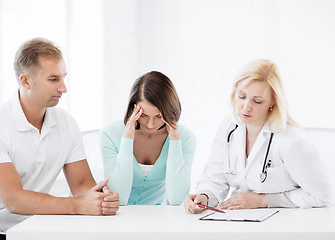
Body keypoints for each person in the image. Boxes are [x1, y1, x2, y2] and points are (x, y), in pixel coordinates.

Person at [0, 38, 119, 239]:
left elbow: (82, 185)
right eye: (53, 79)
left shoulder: (67, 124)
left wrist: (100, 198)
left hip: (34, 226)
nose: (64, 88)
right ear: (26, 81)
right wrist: (77, 206)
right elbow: (14, 200)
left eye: (63, 78)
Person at [184, 59, 333, 213]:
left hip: (281, 222)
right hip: (239, 220)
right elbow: (215, 178)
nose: (246, 107)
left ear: (273, 101)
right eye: (241, 96)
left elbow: (325, 196)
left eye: (257, 101)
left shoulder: (290, 141)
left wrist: (265, 200)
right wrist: (204, 196)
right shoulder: (229, 126)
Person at [100, 71, 196, 205]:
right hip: (115, 216)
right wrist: (127, 138)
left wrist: (174, 140)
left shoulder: (185, 138)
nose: (151, 124)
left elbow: (177, 199)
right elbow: (119, 198)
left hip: (156, 219)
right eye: (143, 115)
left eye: (159, 116)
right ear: (133, 109)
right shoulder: (110, 134)